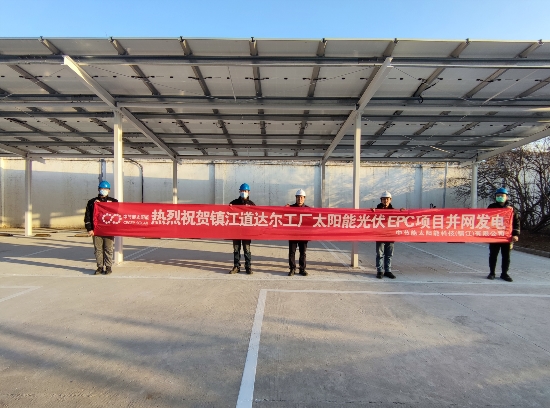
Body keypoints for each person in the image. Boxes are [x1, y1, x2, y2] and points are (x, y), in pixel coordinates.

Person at [84, 181, 118, 275]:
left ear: (109, 190)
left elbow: (117, 213)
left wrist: (106, 204)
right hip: (96, 229)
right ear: (98, 189)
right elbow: (87, 216)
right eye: (102, 188)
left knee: (108, 249)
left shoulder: (114, 202)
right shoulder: (92, 202)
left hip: (108, 230)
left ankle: (108, 267)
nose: (104, 190)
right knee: (98, 249)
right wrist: (89, 229)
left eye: (106, 189)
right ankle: (100, 267)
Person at [487, 187, 520, 282]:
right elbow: (486, 218)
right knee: (493, 255)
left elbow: (516, 222)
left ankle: (504, 274)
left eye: (502, 196)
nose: (500, 197)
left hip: (506, 236)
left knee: (506, 256)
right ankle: (492, 273)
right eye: (498, 196)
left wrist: (515, 234)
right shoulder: (492, 207)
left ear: (506, 197)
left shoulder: (511, 209)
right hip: (495, 235)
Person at [371, 191, 404, 279]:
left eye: (387, 199)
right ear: (381, 200)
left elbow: (401, 219)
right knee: (380, 254)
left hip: (390, 235)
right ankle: (380, 271)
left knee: (389, 254)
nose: (385, 201)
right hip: (380, 235)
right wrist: (371, 212)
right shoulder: (376, 210)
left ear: (390, 200)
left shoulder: (394, 211)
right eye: (384, 199)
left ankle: (388, 271)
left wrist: (402, 212)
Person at [229, 183, 256, 275]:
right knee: (236, 249)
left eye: (245, 191)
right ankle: (236, 266)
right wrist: (229, 208)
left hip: (246, 231)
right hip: (236, 230)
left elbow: (256, 216)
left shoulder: (251, 204)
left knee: (247, 249)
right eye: (242, 191)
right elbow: (228, 214)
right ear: (239, 191)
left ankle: (248, 266)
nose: (243, 192)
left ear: (249, 192)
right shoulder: (234, 203)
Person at [285, 189, 309, 276]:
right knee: (292, 252)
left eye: (301, 197)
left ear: (304, 198)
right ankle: (292, 268)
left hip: (303, 234)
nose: (300, 199)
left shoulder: (308, 209)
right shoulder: (290, 208)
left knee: (303, 252)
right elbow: (282, 216)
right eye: (298, 197)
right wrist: (284, 209)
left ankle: (302, 269)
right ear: (296, 198)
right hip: (293, 234)